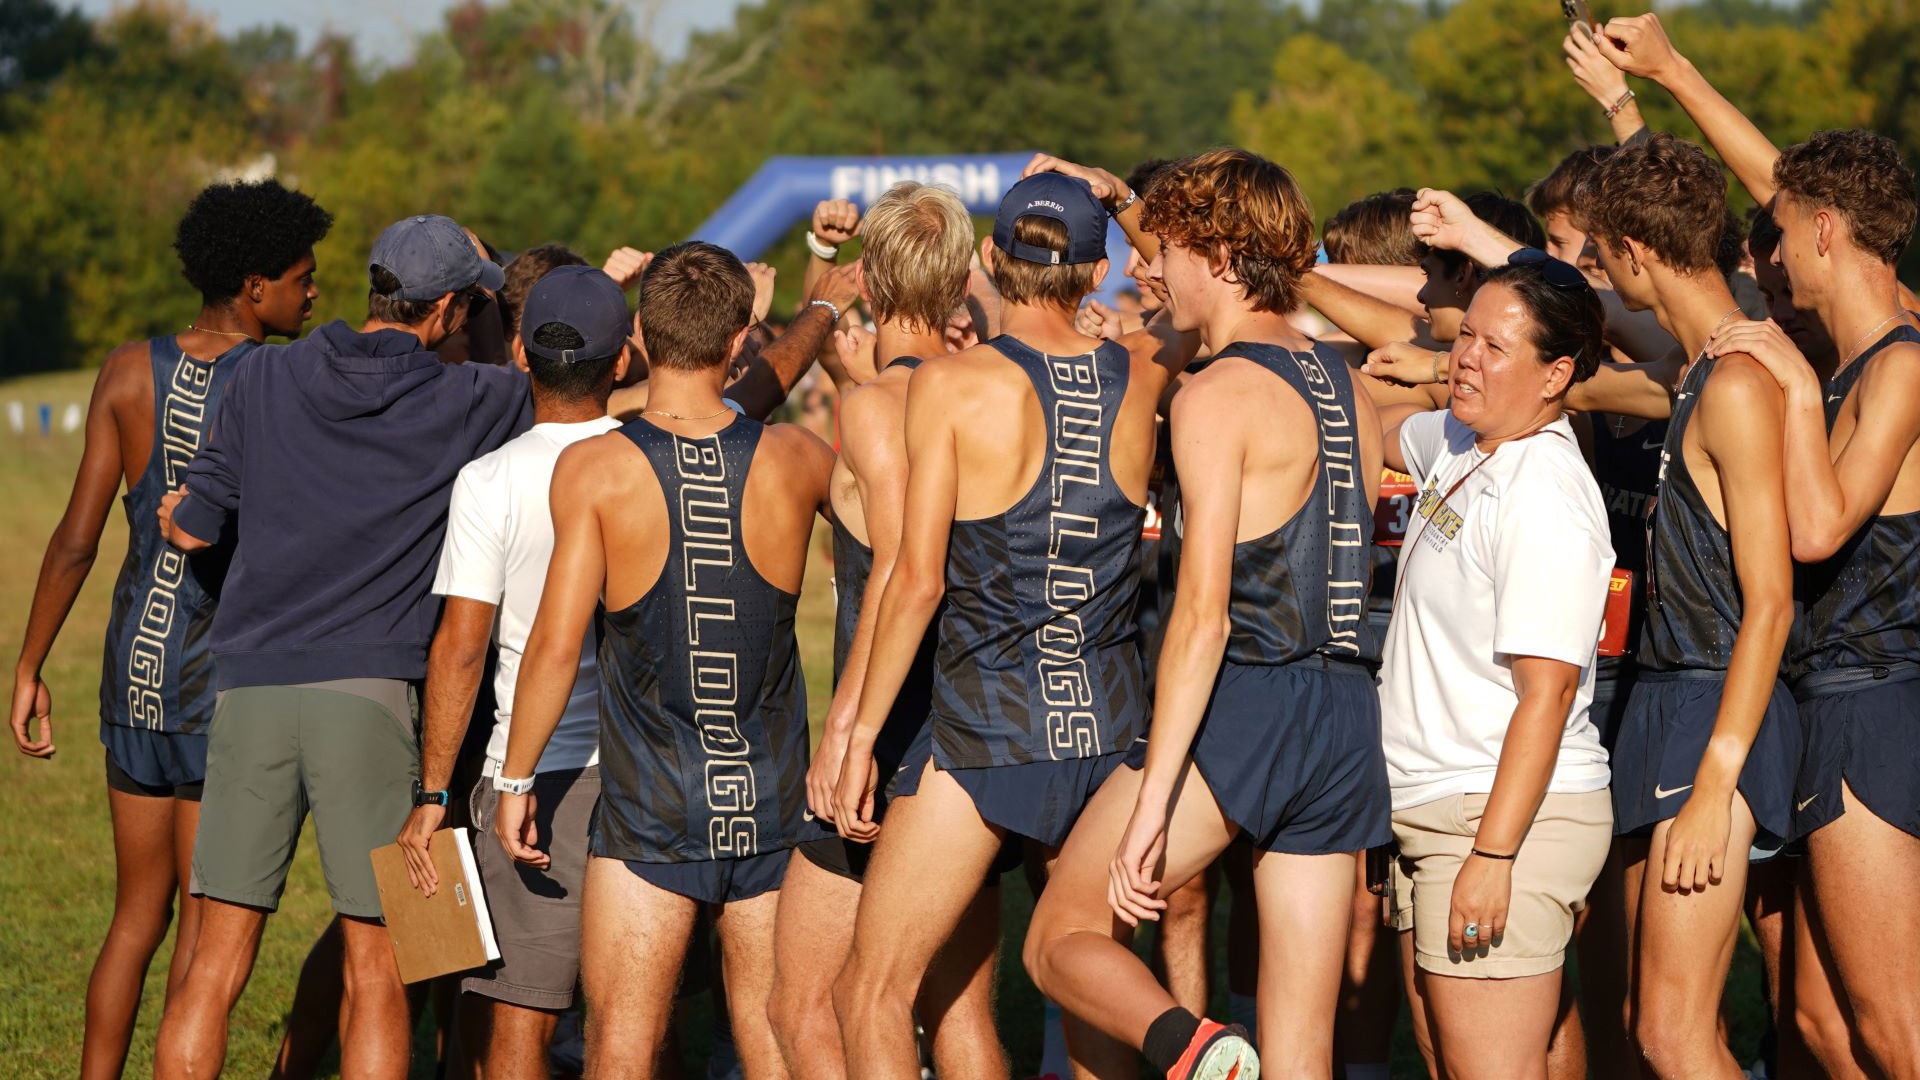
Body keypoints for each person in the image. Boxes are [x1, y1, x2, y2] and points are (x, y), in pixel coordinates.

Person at [1024, 146, 1389, 1079]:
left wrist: (1154, 802)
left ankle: (1195, 1051)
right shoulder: (1347, 383)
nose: (1150, 268)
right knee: (1302, 1045)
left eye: (1170, 249)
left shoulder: (1218, 394)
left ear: (1221, 258)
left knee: (1060, 937)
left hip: (1249, 703)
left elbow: (1202, 618)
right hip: (1347, 712)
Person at [830, 167, 1192, 1078]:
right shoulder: (1143, 366)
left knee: (871, 992)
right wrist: (1123, 205)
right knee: (1085, 987)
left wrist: (860, 736)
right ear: (1096, 272)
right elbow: (1200, 290)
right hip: (1109, 726)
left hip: (989, 726)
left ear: (991, 261)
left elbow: (916, 581)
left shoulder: (951, 385)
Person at [150, 213, 530, 1080]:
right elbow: (540, 384)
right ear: (447, 311)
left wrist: (178, 516)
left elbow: (196, 523)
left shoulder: (263, 375)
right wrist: (492, 310)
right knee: (382, 969)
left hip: (250, 689)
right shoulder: (472, 401)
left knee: (213, 963)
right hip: (373, 697)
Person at [8, 178, 328, 1080]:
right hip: (225, 683)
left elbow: (76, 541)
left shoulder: (124, 369)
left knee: (133, 918)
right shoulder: (282, 381)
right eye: (302, 278)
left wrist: (29, 664)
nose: (314, 294)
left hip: (132, 672)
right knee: (201, 924)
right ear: (254, 286)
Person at [493, 241, 837, 1078]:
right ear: (739, 340)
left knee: (621, 1045)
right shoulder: (799, 458)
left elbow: (554, 644)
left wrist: (515, 778)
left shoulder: (593, 468)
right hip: (771, 797)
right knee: (775, 1039)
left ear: (640, 336)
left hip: (652, 806)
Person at [769, 183, 1007, 1080]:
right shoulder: (991, 395)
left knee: (807, 1004)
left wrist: (845, 732)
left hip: (895, 727)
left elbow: (907, 570)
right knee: (957, 1009)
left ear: (869, 283)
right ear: (959, 283)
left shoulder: (878, 406)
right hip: (977, 723)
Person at [1578, 134, 1799, 1080]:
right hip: (1667, 701)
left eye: (1601, 254)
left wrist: (1716, 783)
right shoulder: (1698, 365)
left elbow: (1772, 602)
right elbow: (1600, 353)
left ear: (1633, 251)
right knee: (1649, 1024)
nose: (1601, 272)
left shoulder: (1738, 383)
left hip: (1716, 709)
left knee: (1674, 1035)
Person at [1704, 128, 1920, 1079]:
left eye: (1785, 232)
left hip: (1874, 705)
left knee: (1895, 1029)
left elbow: (1821, 530)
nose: (1775, 259)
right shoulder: (1842, 366)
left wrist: (1791, 383)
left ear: (1825, 230)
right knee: (1823, 1025)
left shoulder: (1900, 364)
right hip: (1823, 707)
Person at [386, 264, 631, 1078]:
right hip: (647, 771)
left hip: (534, 779)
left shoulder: (488, 479)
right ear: (623, 359)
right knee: (641, 1020)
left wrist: (433, 795)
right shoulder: (647, 465)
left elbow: (460, 646)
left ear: (521, 355)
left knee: (520, 1021)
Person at [1378, 251, 1616, 1080]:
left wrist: (1494, 855)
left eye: (1495, 347)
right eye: (1464, 337)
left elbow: (1547, 695)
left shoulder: (1543, 495)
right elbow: (1377, 426)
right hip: (1441, 805)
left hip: (1497, 817)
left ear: (1556, 375)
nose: (1466, 360)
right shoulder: (1464, 439)